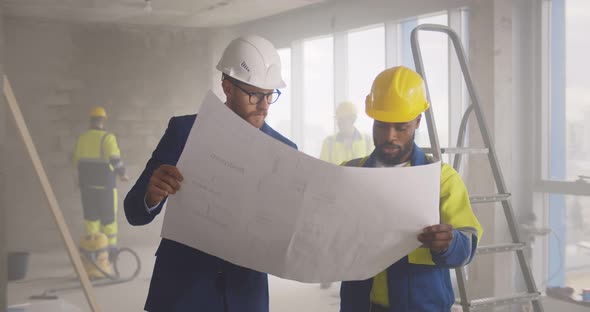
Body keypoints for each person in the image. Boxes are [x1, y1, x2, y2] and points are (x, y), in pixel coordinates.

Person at [124, 35, 297, 312]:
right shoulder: (183, 132)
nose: (264, 106)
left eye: (270, 95)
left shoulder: (284, 150)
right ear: (227, 87)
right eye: (255, 94)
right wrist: (151, 196)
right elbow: (133, 212)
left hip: (245, 295)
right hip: (182, 290)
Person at [339, 66, 483, 312]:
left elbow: (467, 241)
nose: (389, 136)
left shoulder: (440, 178)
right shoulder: (350, 173)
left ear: (417, 121)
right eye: (381, 126)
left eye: (400, 127)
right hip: (359, 305)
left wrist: (449, 242)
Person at [73, 106, 129, 277]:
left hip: (87, 187)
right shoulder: (107, 138)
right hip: (105, 186)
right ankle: (109, 253)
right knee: (109, 220)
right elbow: (115, 159)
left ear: (90, 120)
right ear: (103, 120)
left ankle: (91, 253)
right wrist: (123, 174)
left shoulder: (82, 138)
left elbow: (77, 161)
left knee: (91, 220)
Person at [319, 101, 373, 166]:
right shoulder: (328, 142)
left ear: (353, 119)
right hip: (336, 176)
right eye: (338, 119)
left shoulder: (367, 141)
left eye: (342, 119)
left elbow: (372, 167)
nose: (339, 123)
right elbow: (322, 168)